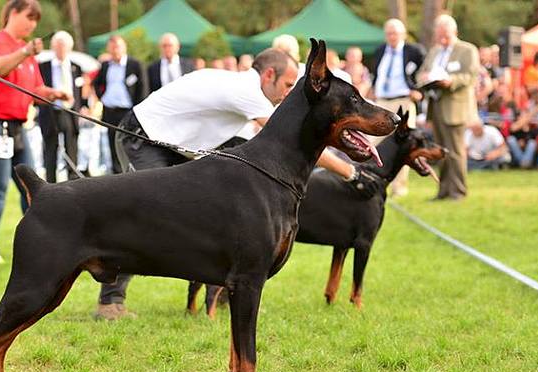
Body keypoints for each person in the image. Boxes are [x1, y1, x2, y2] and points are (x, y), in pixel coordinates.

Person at [94, 48, 378, 320]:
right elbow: (293, 139)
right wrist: (350, 172)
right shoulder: (246, 92)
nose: (289, 93)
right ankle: (110, 301)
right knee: (142, 216)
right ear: (268, 75)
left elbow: (248, 144)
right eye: (288, 84)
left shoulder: (244, 95)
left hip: (171, 144)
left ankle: (231, 293)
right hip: (140, 136)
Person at [0, 0, 68, 263]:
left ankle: (39, 245)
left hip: (15, 126)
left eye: (36, 19)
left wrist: (53, 94)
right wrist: (25, 51)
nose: (33, 24)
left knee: (33, 187)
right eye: (29, 17)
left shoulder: (27, 50)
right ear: (13, 13)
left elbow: (35, 90)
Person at [416, 14, 479, 200]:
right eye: (439, 35)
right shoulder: (434, 51)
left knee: (456, 151)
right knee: (440, 151)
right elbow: (421, 73)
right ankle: (443, 191)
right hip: (435, 106)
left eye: (446, 36)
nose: (442, 39)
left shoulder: (467, 50)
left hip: (455, 106)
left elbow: (470, 76)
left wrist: (450, 81)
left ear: (455, 32)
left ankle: (458, 191)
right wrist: (425, 79)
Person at [370, 18, 425, 196]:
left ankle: (399, 187)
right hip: (382, 101)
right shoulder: (379, 51)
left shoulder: (413, 51)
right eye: (389, 33)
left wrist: (418, 90)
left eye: (395, 33)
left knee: (403, 143)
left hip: (404, 100)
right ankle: (374, 180)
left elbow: (426, 71)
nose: (392, 36)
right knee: (374, 141)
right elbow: (375, 74)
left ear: (402, 34)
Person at [92, 35, 147, 174]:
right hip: (110, 111)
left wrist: (138, 111)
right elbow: (96, 83)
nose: (115, 50)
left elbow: (143, 89)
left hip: (128, 112)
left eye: (118, 47)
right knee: (113, 146)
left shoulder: (135, 65)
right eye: (112, 48)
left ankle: (134, 176)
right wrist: (102, 97)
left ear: (124, 48)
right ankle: (117, 176)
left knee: (130, 146)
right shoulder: (105, 65)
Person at [37, 30, 82, 182]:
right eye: (57, 46)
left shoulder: (76, 67)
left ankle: (73, 182)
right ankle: (49, 184)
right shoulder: (43, 67)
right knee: (50, 150)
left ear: (69, 48)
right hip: (50, 112)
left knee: (71, 149)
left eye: (63, 46)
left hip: (70, 112)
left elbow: (79, 91)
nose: (61, 49)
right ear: (53, 47)